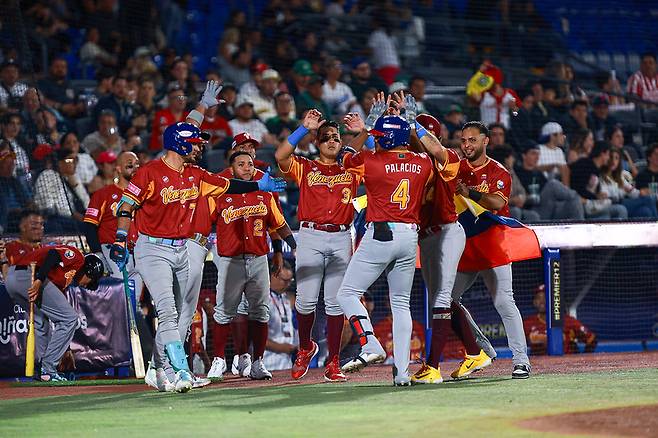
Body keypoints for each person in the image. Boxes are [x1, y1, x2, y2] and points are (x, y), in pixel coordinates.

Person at [109, 81, 286, 393]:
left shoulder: (195, 173)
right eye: (195, 142)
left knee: (181, 313)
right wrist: (121, 239)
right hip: (153, 249)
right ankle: (181, 372)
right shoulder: (149, 173)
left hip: (183, 248)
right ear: (179, 145)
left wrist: (260, 186)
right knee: (166, 309)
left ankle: (158, 367)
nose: (201, 145)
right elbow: (126, 207)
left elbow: (227, 184)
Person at [337, 113, 433, 386]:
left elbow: (344, 158)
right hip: (409, 236)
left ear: (389, 139)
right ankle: (402, 374)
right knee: (401, 303)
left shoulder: (371, 160)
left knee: (347, 293)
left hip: (381, 232)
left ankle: (370, 344)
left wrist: (365, 131)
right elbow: (419, 154)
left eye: (380, 138)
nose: (376, 142)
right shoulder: (423, 161)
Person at [275, 109, 362, 383]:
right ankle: (305, 347)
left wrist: (364, 131)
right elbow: (280, 156)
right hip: (310, 235)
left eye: (336, 137)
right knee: (305, 300)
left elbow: (372, 155)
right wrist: (303, 128)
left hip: (340, 236)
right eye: (325, 137)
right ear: (317, 142)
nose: (331, 141)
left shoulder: (351, 166)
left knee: (336, 303)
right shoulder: (306, 166)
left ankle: (334, 361)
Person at [452, 121, 532, 379]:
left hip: (493, 244)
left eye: (472, 140)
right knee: (446, 301)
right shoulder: (457, 168)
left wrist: (471, 193)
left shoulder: (498, 171)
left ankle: (521, 361)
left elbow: (497, 202)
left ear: (485, 141)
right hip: (465, 244)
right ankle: (482, 349)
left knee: (504, 301)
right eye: (464, 140)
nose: (467, 145)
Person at [205, 151, 292, 382]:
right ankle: (219, 360)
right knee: (224, 312)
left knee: (260, 312)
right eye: (241, 164)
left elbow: (278, 224)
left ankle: (257, 362)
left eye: (250, 164)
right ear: (231, 170)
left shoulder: (264, 194)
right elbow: (205, 221)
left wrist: (293, 245)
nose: (246, 167)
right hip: (230, 260)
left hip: (258, 259)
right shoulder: (220, 194)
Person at [4, 246, 103, 381]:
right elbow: (53, 254)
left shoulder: (63, 281)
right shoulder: (78, 258)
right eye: (91, 281)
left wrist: (66, 348)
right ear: (89, 272)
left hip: (12, 280)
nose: (86, 286)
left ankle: (41, 371)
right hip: (29, 275)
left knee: (41, 323)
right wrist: (39, 280)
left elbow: (60, 318)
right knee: (70, 319)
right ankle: (48, 368)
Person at [82, 151, 141, 286]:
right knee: (119, 290)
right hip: (112, 250)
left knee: (134, 298)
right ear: (118, 169)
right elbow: (89, 226)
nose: (135, 169)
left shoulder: (143, 196)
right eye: (130, 165)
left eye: (138, 165)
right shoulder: (103, 194)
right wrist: (98, 253)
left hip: (137, 251)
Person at [514, 142, 584, 221]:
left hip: (549, 208)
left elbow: (548, 194)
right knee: (552, 184)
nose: (537, 157)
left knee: (574, 202)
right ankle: (575, 195)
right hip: (533, 210)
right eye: (533, 153)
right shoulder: (517, 173)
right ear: (524, 156)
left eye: (538, 154)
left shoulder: (538, 173)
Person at [523, 286, 597, 355]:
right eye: (538, 298)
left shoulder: (568, 320)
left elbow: (591, 339)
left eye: (545, 297)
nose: (542, 301)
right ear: (534, 302)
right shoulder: (528, 323)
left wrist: (582, 359)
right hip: (540, 366)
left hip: (567, 364)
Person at [34, 148, 90, 233]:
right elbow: (48, 206)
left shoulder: (71, 178)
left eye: (76, 160)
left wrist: (75, 186)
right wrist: (72, 214)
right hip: (53, 219)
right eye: (70, 160)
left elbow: (87, 204)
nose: (74, 163)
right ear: (59, 163)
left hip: (71, 220)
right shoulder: (48, 175)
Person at [570, 141, 628, 220]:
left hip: (593, 204)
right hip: (582, 205)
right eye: (607, 154)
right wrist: (596, 196)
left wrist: (599, 195)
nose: (608, 158)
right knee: (618, 210)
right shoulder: (584, 164)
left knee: (614, 212)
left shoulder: (597, 170)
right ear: (602, 154)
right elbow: (579, 189)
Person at [600, 147, 658, 219]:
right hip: (614, 203)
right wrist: (623, 191)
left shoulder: (620, 176)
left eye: (616, 158)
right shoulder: (602, 176)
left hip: (625, 202)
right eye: (611, 157)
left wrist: (639, 192)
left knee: (646, 211)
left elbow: (633, 193)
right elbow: (607, 195)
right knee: (649, 199)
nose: (613, 161)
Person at [489, 145, 541, 223]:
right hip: (500, 211)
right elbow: (494, 200)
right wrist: (513, 201)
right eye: (511, 157)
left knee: (533, 215)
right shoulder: (495, 174)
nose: (513, 160)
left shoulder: (511, 171)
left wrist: (521, 198)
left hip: (517, 207)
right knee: (516, 211)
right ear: (505, 159)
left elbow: (521, 190)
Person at [263, 261, 297, 371]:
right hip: (267, 362)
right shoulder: (262, 300)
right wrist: (282, 348)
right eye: (284, 281)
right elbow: (255, 336)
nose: (287, 285)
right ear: (273, 276)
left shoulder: (285, 298)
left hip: (286, 363)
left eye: (290, 281)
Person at [3, 209, 45, 281]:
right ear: (22, 227)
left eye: (41, 224)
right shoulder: (10, 248)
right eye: (34, 224)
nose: (39, 228)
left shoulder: (45, 250)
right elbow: (7, 278)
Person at [0, 141, 32, 233]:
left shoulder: (15, 182)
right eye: (5, 160)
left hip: (20, 219)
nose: (10, 165)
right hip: (5, 222)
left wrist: (27, 210)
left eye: (11, 159)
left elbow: (29, 202)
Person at [149, 83, 188, 151]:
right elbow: (166, 133)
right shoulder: (161, 114)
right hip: (160, 152)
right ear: (169, 100)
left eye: (183, 97)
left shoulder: (188, 116)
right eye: (177, 97)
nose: (181, 100)